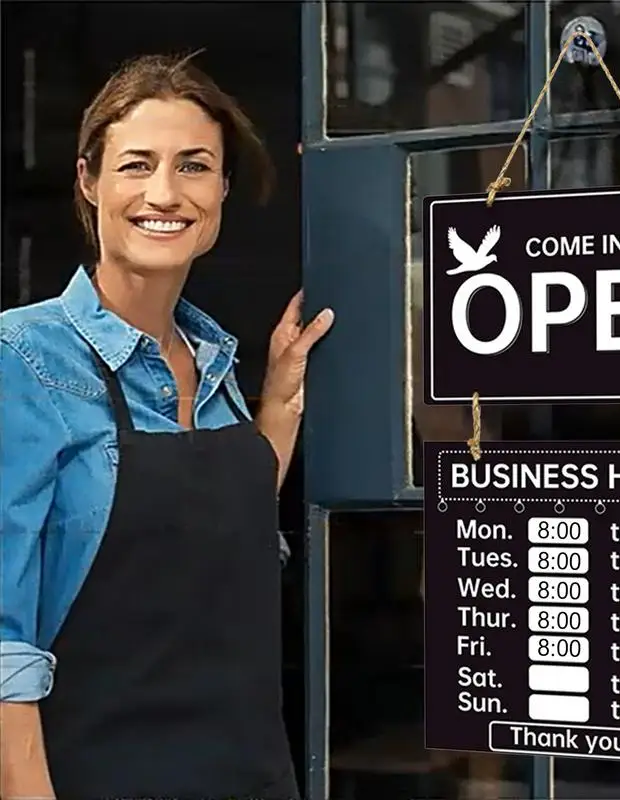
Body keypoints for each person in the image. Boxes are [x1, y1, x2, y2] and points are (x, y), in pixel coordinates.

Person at [0, 52, 333, 800]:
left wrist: (277, 403)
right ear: (89, 181)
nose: (164, 193)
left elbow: (214, 533)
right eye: (136, 165)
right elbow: (1, 648)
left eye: (193, 166)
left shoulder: (215, 363)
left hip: (248, 775)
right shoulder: (20, 359)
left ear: (220, 189)